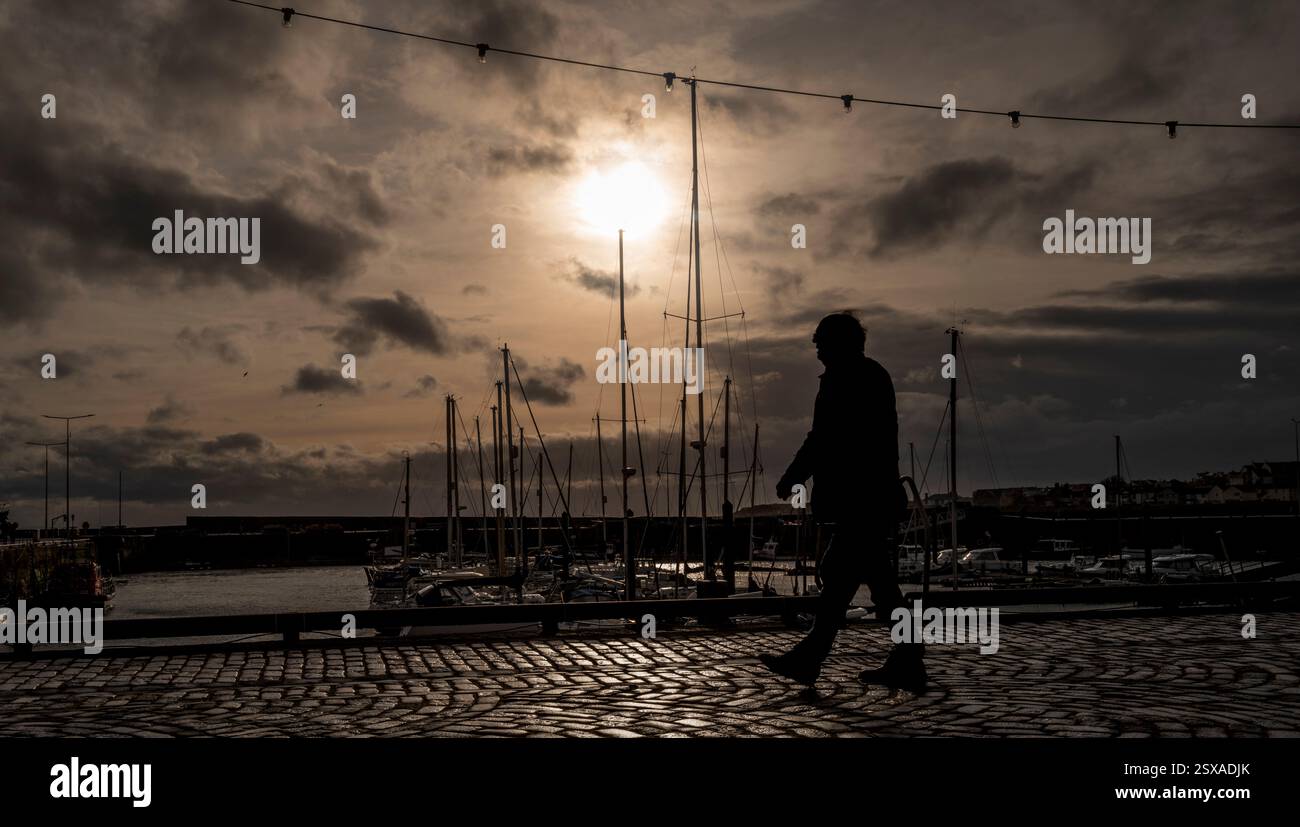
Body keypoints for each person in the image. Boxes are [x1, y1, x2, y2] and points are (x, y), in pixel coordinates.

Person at [759, 312, 925, 692]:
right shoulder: (869, 375)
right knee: (871, 586)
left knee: (842, 582)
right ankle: (906, 659)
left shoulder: (845, 379)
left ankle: (812, 659)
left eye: (821, 341)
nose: (816, 348)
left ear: (838, 343)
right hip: (870, 501)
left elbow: (824, 439)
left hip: (860, 502)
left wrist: (793, 476)